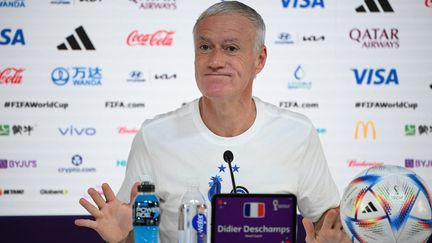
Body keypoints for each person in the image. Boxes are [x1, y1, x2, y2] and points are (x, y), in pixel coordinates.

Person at [75, 1, 350, 242]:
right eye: (205, 47)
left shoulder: (297, 133)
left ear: (259, 59)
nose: (215, 60)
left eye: (231, 48)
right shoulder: (153, 136)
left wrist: (334, 237)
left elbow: (326, 224)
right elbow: (133, 234)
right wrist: (122, 238)